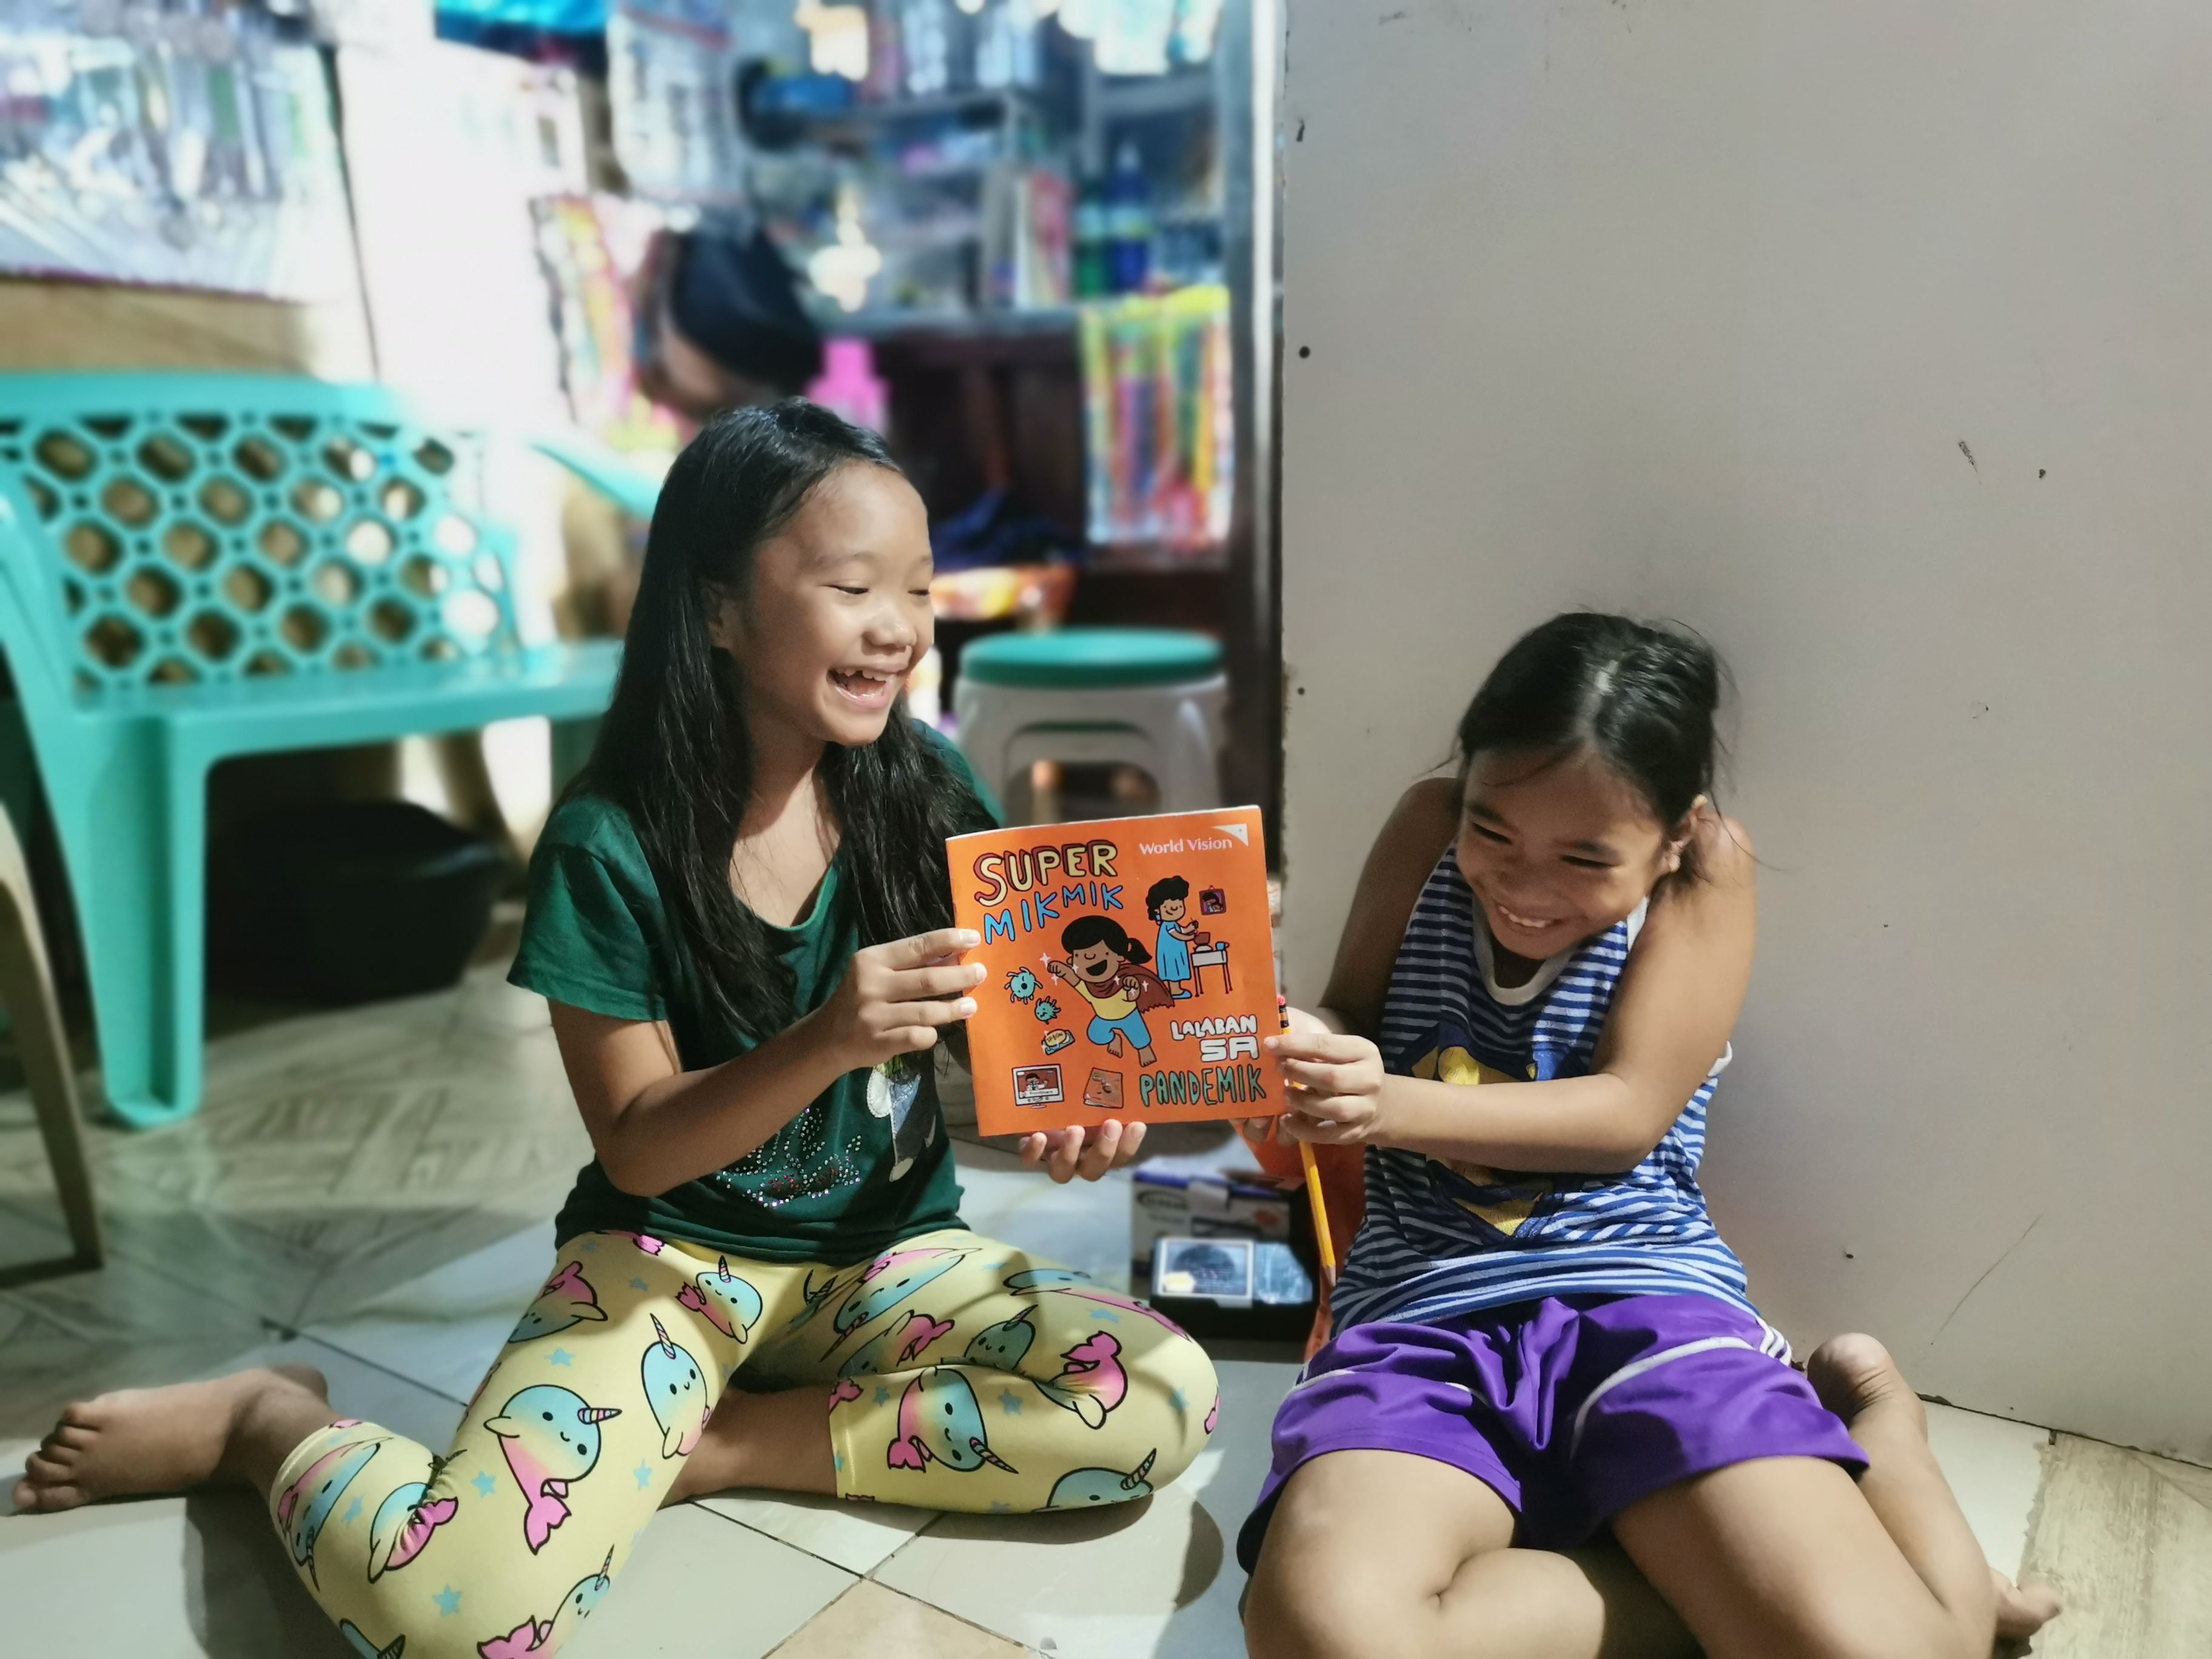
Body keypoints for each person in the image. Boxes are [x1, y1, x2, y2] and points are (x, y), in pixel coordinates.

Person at [13, 403, 1218, 1659]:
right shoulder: (609, 840)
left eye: (916, 587)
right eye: (852, 585)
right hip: (671, 1262)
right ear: (716, 609)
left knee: (1159, 1394)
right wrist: (828, 1034)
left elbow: (991, 1036)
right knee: (455, 1619)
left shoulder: (927, 791)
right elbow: (641, 1148)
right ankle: (264, 1418)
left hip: (885, 1257)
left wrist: (1070, 1102)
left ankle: (732, 1443)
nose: (900, 627)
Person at [1239, 614, 2061, 1659]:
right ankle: (1731, 1585)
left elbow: (1623, 1115)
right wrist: (1303, 1045)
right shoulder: (1422, 826)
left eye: (1584, 857)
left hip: (1638, 1295)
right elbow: (1349, 1007)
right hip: (1420, 1305)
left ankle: (1881, 1430)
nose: (1522, 886)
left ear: (1674, 833)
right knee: (1324, 1638)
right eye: (1492, 833)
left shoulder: (1707, 873)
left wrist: (1386, 1105)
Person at [1148, 876, 1199, 999]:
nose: (1177, 910)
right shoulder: (1167, 924)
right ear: (1158, 910)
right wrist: (1190, 938)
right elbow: (1177, 935)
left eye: (1180, 906)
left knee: (1177, 970)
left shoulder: (1173, 923)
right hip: (1171, 953)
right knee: (1173, 970)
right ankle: (1175, 991)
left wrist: (1190, 929)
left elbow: (1182, 930)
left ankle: (1176, 989)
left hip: (1176, 951)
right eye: (1172, 908)